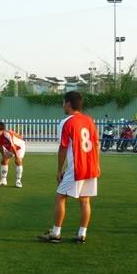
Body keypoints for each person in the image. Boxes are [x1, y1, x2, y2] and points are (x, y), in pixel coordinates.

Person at [38, 91, 100, 244]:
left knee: (60, 197)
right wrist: (96, 164)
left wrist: (59, 170)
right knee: (85, 201)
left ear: (68, 104)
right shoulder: (89, 120)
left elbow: (63, 148)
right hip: (91, 166)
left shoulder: (67, 122)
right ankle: (81, 235)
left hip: (77, 167)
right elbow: (96, 144)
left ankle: (56, 233)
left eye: (63, 102)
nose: (62, 105)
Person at [0, 122, 25, 188]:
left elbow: (13, 146)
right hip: (9, 148)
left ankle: (18, 181)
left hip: (19, 147)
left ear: (2, 130)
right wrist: (3, 156)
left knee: (18, 161)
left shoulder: (7, 134)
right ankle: (3, 181)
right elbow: (0, 146)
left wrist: (16, 157)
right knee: (3, 161)